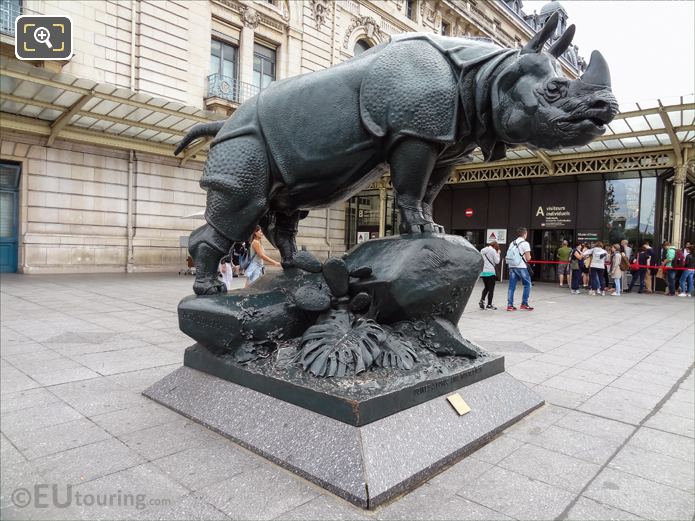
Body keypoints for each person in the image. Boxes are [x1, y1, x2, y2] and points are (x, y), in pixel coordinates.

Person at [506, 227, 534, 311]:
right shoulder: (525, 243)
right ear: (525, 234)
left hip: (512, 266)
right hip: (521, 266)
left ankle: (510, 305)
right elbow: (528, 258)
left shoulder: (512, 243)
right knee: (527, 285)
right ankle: (524, 304)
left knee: (511, 286)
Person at [479, 240, 500, 310]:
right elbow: (497, 261)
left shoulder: (482, 250)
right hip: (490, 272)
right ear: (495, 246)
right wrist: (498, 253)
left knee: (486, 287)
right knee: (491, 289)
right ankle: (489, 305)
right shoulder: (493, 251)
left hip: (483, 272)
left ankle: (482, 300)